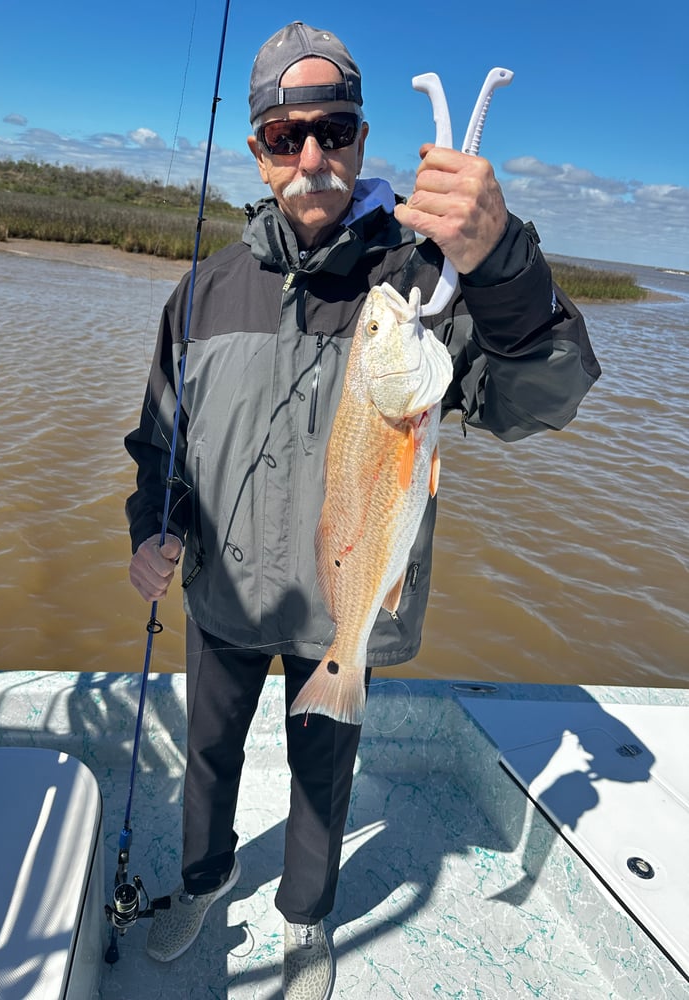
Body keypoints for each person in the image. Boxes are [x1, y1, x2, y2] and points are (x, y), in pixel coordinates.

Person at [125, 21, 600, 1000]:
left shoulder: (423, 285)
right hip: (220, 597)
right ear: (257, 152)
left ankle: (306, 923)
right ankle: (203, 888)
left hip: (343, 596)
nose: (311, 157)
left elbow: (546, 398)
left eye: (333, 129)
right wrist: (153, 525)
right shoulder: (204, 290)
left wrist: (502, 257)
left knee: (321, 776)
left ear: (361, 136)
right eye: (284, 135)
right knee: (204, 760)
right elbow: (160, 439)